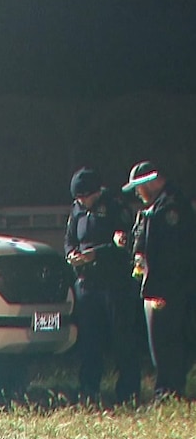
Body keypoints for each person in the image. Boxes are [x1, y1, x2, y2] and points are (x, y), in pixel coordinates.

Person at [64, 167, 142, 403]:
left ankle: (128, 392)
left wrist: (95, 255)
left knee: (122, 340)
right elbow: (69, 239)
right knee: (89, 340)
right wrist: (71, 255)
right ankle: (89, 388)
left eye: (85, 196)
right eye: (78, 198)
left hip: (113, 284)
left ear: (96, 192)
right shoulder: (77, 209)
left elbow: (123, 245)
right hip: (87, 284)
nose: (81, 201)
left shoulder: (116, 206)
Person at [123, 160, 196, 398]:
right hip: (153, 286)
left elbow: (173, 253)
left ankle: (170, 391)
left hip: (169, 289)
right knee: (158, 344)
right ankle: (165, 389)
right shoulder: (152, 209)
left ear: (152, 182)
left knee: (169, 342)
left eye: (139, 186)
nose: (137, 192)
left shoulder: (172, 209)